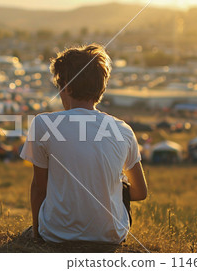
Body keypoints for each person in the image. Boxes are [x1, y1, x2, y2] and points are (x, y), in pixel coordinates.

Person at [20, 44, 148, 244]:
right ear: (101, 89)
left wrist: (37, 235)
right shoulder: (123, 130)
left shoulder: (44, 124)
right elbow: (141, 193)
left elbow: (40, 188)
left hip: (56, 233)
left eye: (59, 87)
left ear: (68, 87)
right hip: (111, 236)